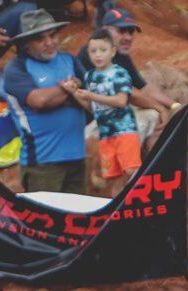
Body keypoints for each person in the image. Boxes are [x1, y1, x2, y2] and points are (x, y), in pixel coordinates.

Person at [2, 8, 88, 195]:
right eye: (40, 38)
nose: (49, 43)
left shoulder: (70, 60)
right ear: (26, 43)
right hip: (42, 163)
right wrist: (70, 89)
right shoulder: (17, 68)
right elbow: (39, 101)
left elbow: (90, 98)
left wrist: (60, 96)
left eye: (52, 35)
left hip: (78, 157)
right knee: (48, 220)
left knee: (78, 219)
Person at [79, 6, 175, 139]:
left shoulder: (119, 53)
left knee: (152, 117)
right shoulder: (93, 53)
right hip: (87, 126)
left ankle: (150, 158)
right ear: (105, 31)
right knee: (150, 115)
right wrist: (160, 108)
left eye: (131, 31)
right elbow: (129, 94)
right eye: (122, 31)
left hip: (107, 116)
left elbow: (144, 87)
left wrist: (174, 105)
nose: (128, 37)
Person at [76, 27, 136, 193]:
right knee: (112, 179)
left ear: (113, 52)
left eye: (103, 50)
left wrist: (91, 95)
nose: (98, 55)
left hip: (124, 131)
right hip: (105, 134)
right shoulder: (90, 77)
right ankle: (114, 213)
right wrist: (73, 93)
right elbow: (93, 108)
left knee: (128, 174)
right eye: (93, 51)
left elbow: (121, 101)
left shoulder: (120, 73)